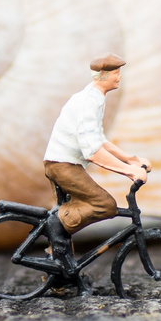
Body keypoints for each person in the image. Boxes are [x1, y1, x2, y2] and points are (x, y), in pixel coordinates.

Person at [40, 54, 150, 274]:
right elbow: (92, 151)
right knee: (104, 205)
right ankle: (54, 228)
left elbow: (98, 139)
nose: (119, 78)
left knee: (77, 210)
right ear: (103, 76)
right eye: (116, 73)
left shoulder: (94, 97)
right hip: (62, 165)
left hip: (66, 163)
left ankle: (59, 272)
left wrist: (129, 159)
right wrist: (128, 171)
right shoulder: (88, 101)